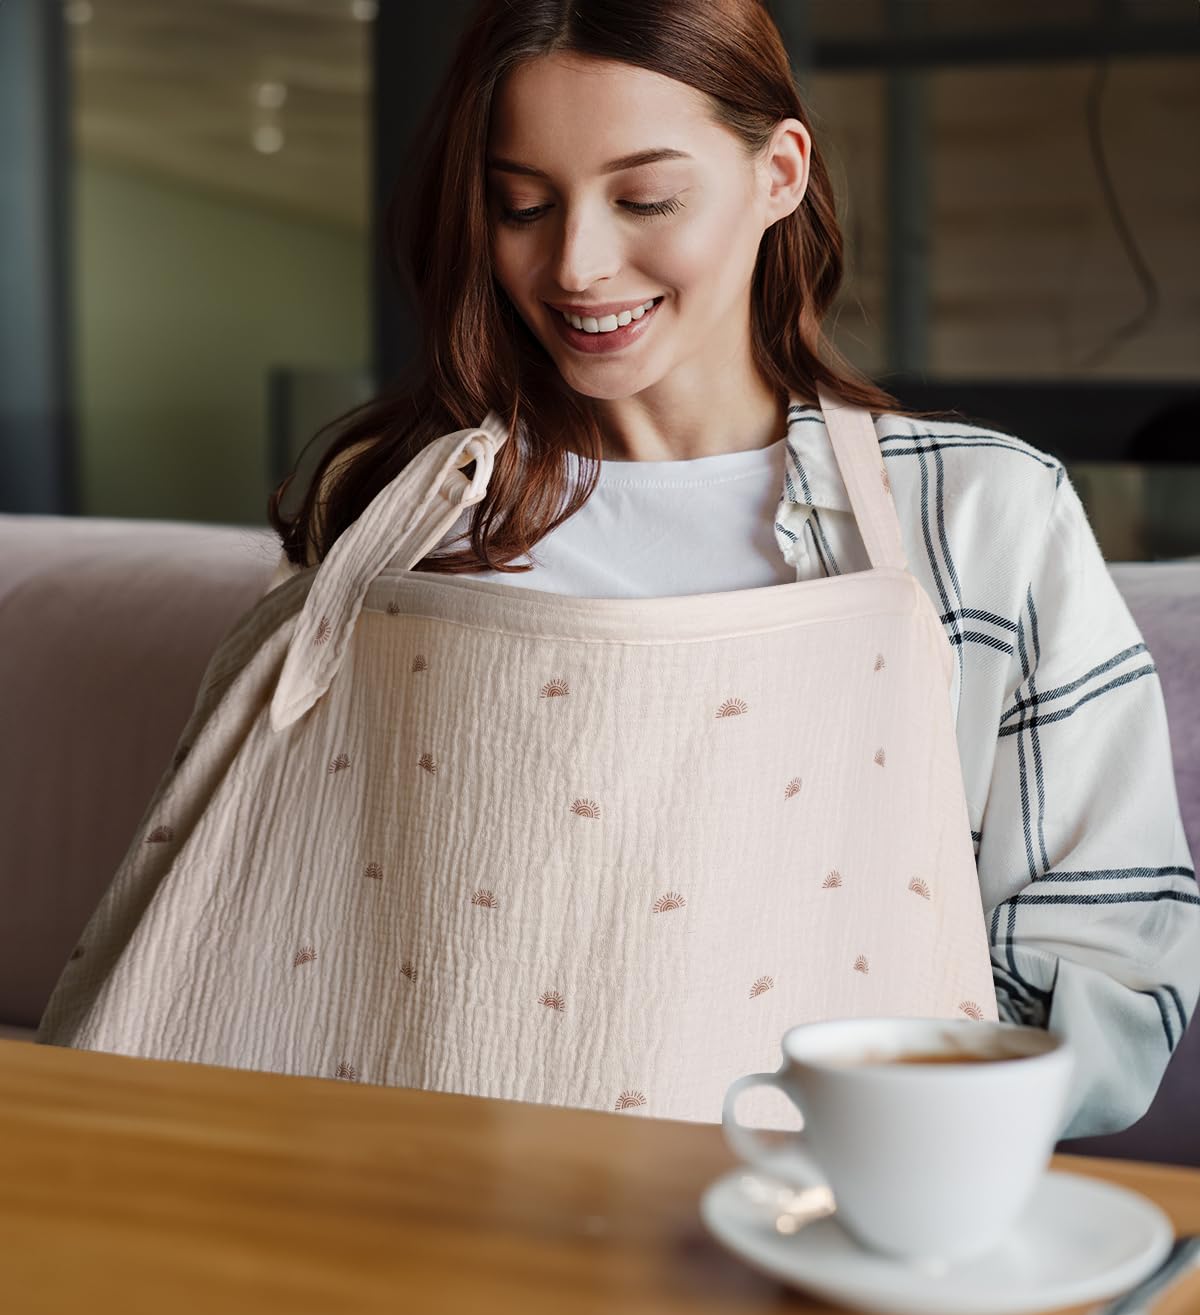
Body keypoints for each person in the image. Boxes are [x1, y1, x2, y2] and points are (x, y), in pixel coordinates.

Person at [91, 1, 1200, 1138]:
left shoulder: (978, 514)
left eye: (645, 199)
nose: (575, 265)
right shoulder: (402, 513)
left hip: (818, 1223)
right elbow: (266, 902)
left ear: (780, 173)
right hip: (416, 1211)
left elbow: (1112, 970)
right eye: (521, 204)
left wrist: (897, 1153)